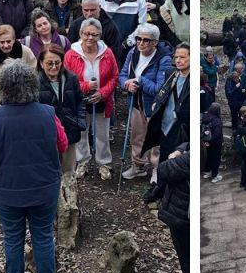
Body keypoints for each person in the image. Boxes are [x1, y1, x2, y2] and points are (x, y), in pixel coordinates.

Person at [0, 61, 68, 273]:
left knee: (12, 237)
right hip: (43, 188)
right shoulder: (48, 113)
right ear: (33, 85)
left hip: (6, 191)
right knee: (43, 236)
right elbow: (62, 144)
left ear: (4, 87)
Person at [65, 18, 118, 180]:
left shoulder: (107, 53)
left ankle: (104, 163)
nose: (90, 38)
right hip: (80, 101)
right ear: (80, 34)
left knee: (102, 133)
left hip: (101, 100)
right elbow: (68, 81)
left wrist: (102, 93)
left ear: (100, 35)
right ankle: (82, 161)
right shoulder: (71, 54)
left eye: (94, 35)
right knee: (81, 132)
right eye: (86, 34)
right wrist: (87, 86)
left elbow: (114, 76)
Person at [118, 25, 172, 180]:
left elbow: (160, 88)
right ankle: (138, 165)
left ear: (155, 42)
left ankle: (156, 169)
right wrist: (126, 84)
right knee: (136, 136)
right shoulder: (133, 53)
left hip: (154, 107)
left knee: (155, 141)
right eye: (138, 39)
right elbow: (122, 75)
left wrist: (140, 80)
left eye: (146, 40)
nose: (141, 43)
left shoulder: (164, 58)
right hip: (136, 102)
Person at [37, 44, 84, 178]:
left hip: (69, 129)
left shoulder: (71, 78)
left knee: (68, 172)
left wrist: (79, 122)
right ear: (41, 63)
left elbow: (80, 101)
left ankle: (70, 197)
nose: (54, 67)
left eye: (57, 63)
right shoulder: (35, 82)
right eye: (49, 63)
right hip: (46, 133)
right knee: (49, 171)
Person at [142, 43, 190, 165]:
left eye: (182, 57)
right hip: (165, 125)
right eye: (176, 57)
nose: (178, 60)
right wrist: (156, 103)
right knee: (163, 160)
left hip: (180, 129)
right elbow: (162, 92)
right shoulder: (172, 73)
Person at [153, 145, 189, 273]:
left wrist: (172, 157)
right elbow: (187, 142)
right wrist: (180, 150)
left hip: (182, 215)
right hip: (181, 210)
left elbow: (164, 170)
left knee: (187, 257)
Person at [0, 24, 37, 110]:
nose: (6, 45)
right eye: (2, 42)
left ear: (14, 39)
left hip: (22, 102)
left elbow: (34, 73)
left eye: (8, 41)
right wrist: (4, 85)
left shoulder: (26, 52)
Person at [201, 103, 223, 183]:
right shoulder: (217, 120)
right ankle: (214, 175)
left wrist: (206, 141)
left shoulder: (205, 117)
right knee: (216, 158)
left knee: (209, 156)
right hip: (216, 142)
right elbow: (217, 134)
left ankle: (207, 172)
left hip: (206, 141)